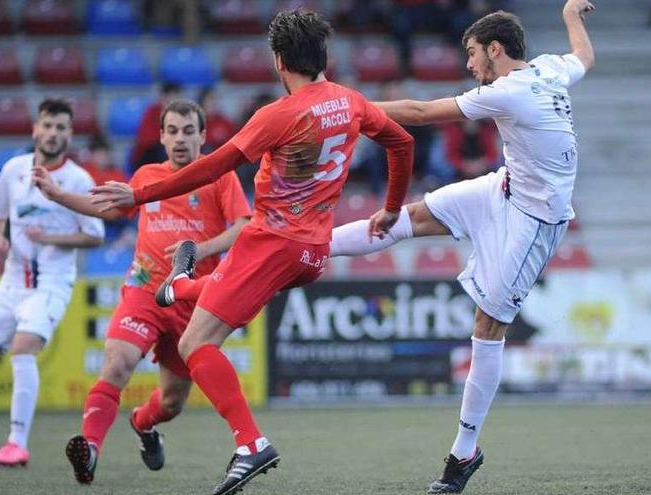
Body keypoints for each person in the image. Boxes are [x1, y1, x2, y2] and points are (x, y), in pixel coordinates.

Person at [89, 9, 415, 495]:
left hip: (271, 243)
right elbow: (403, 141)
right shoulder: (352, 102)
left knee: (194, 344)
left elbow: (211, 166)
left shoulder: (279, 114)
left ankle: (250, 445)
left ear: (279, 60)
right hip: (313, 252)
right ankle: (181, 286)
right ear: (322, 54)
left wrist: (139, 195)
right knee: (212, 299)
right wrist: (390, 208)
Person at [328, 2, 596, 493]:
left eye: (473, 54)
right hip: (505, 189)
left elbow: (420, 113)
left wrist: (343, 106)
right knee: (410, 216)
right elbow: (584, 56)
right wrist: (569, 15)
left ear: (495, 49)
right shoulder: (551, 70)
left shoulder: (510, 91)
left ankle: (463, 452)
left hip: (534, 224)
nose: (470, 65)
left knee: (487, 327)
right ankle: (309, 248)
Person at [32, 99, 251, 484]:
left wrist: (198, 250)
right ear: (162, 137)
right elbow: (111, 209)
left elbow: (242, 228)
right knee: (116, 364)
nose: (180, 139)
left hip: (191, 302)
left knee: (171, 402)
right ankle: (91, 450)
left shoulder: (219, 175)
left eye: (188, 131)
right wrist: (57, 195)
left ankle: (143, 424)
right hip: (143, 290)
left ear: (202, 135)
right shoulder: (148, 174)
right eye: (172, 131)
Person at [0, 99, 105, 470]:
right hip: (12, 281)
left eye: (61, 127)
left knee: (22, 349)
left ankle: (17, 444)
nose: (53, 133)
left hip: (51, 282)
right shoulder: (13, 170)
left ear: (70, 134)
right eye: (47, 125)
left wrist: (52, 239)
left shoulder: (79, 180)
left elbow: (95, 235)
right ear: (35, 128)